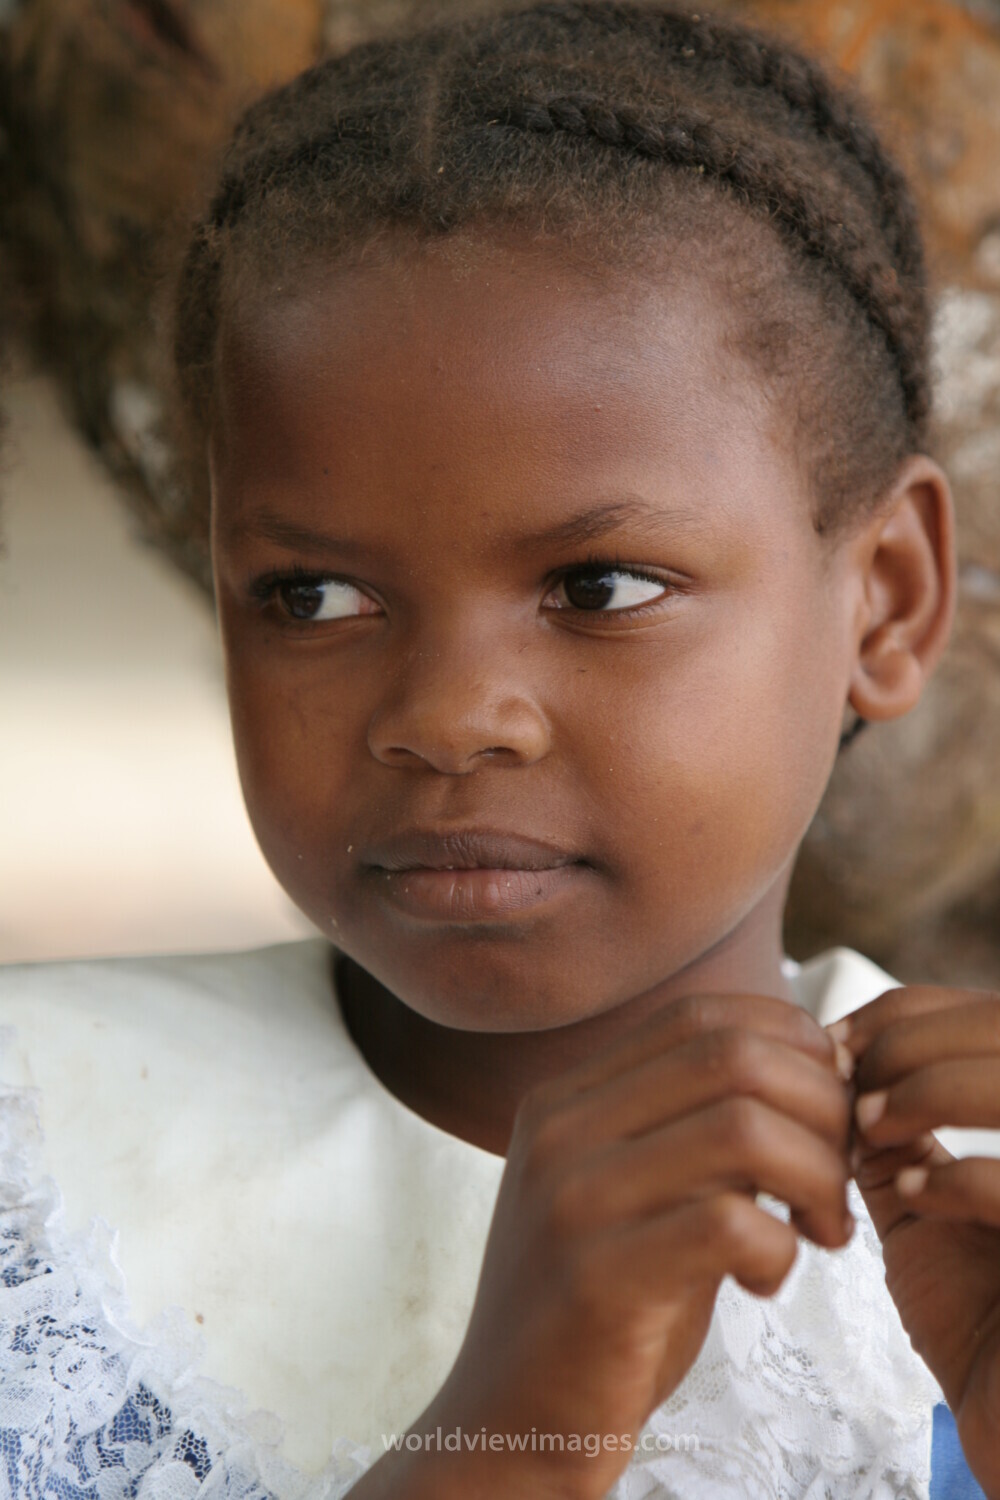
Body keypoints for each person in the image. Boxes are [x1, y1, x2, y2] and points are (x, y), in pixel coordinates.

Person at [1, 3, 998, 1496]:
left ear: (888, 600)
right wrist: (521, 1424)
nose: (448, 716)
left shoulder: (965, 1211)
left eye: (600, 590)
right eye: (315, 596)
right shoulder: (43, 1176)